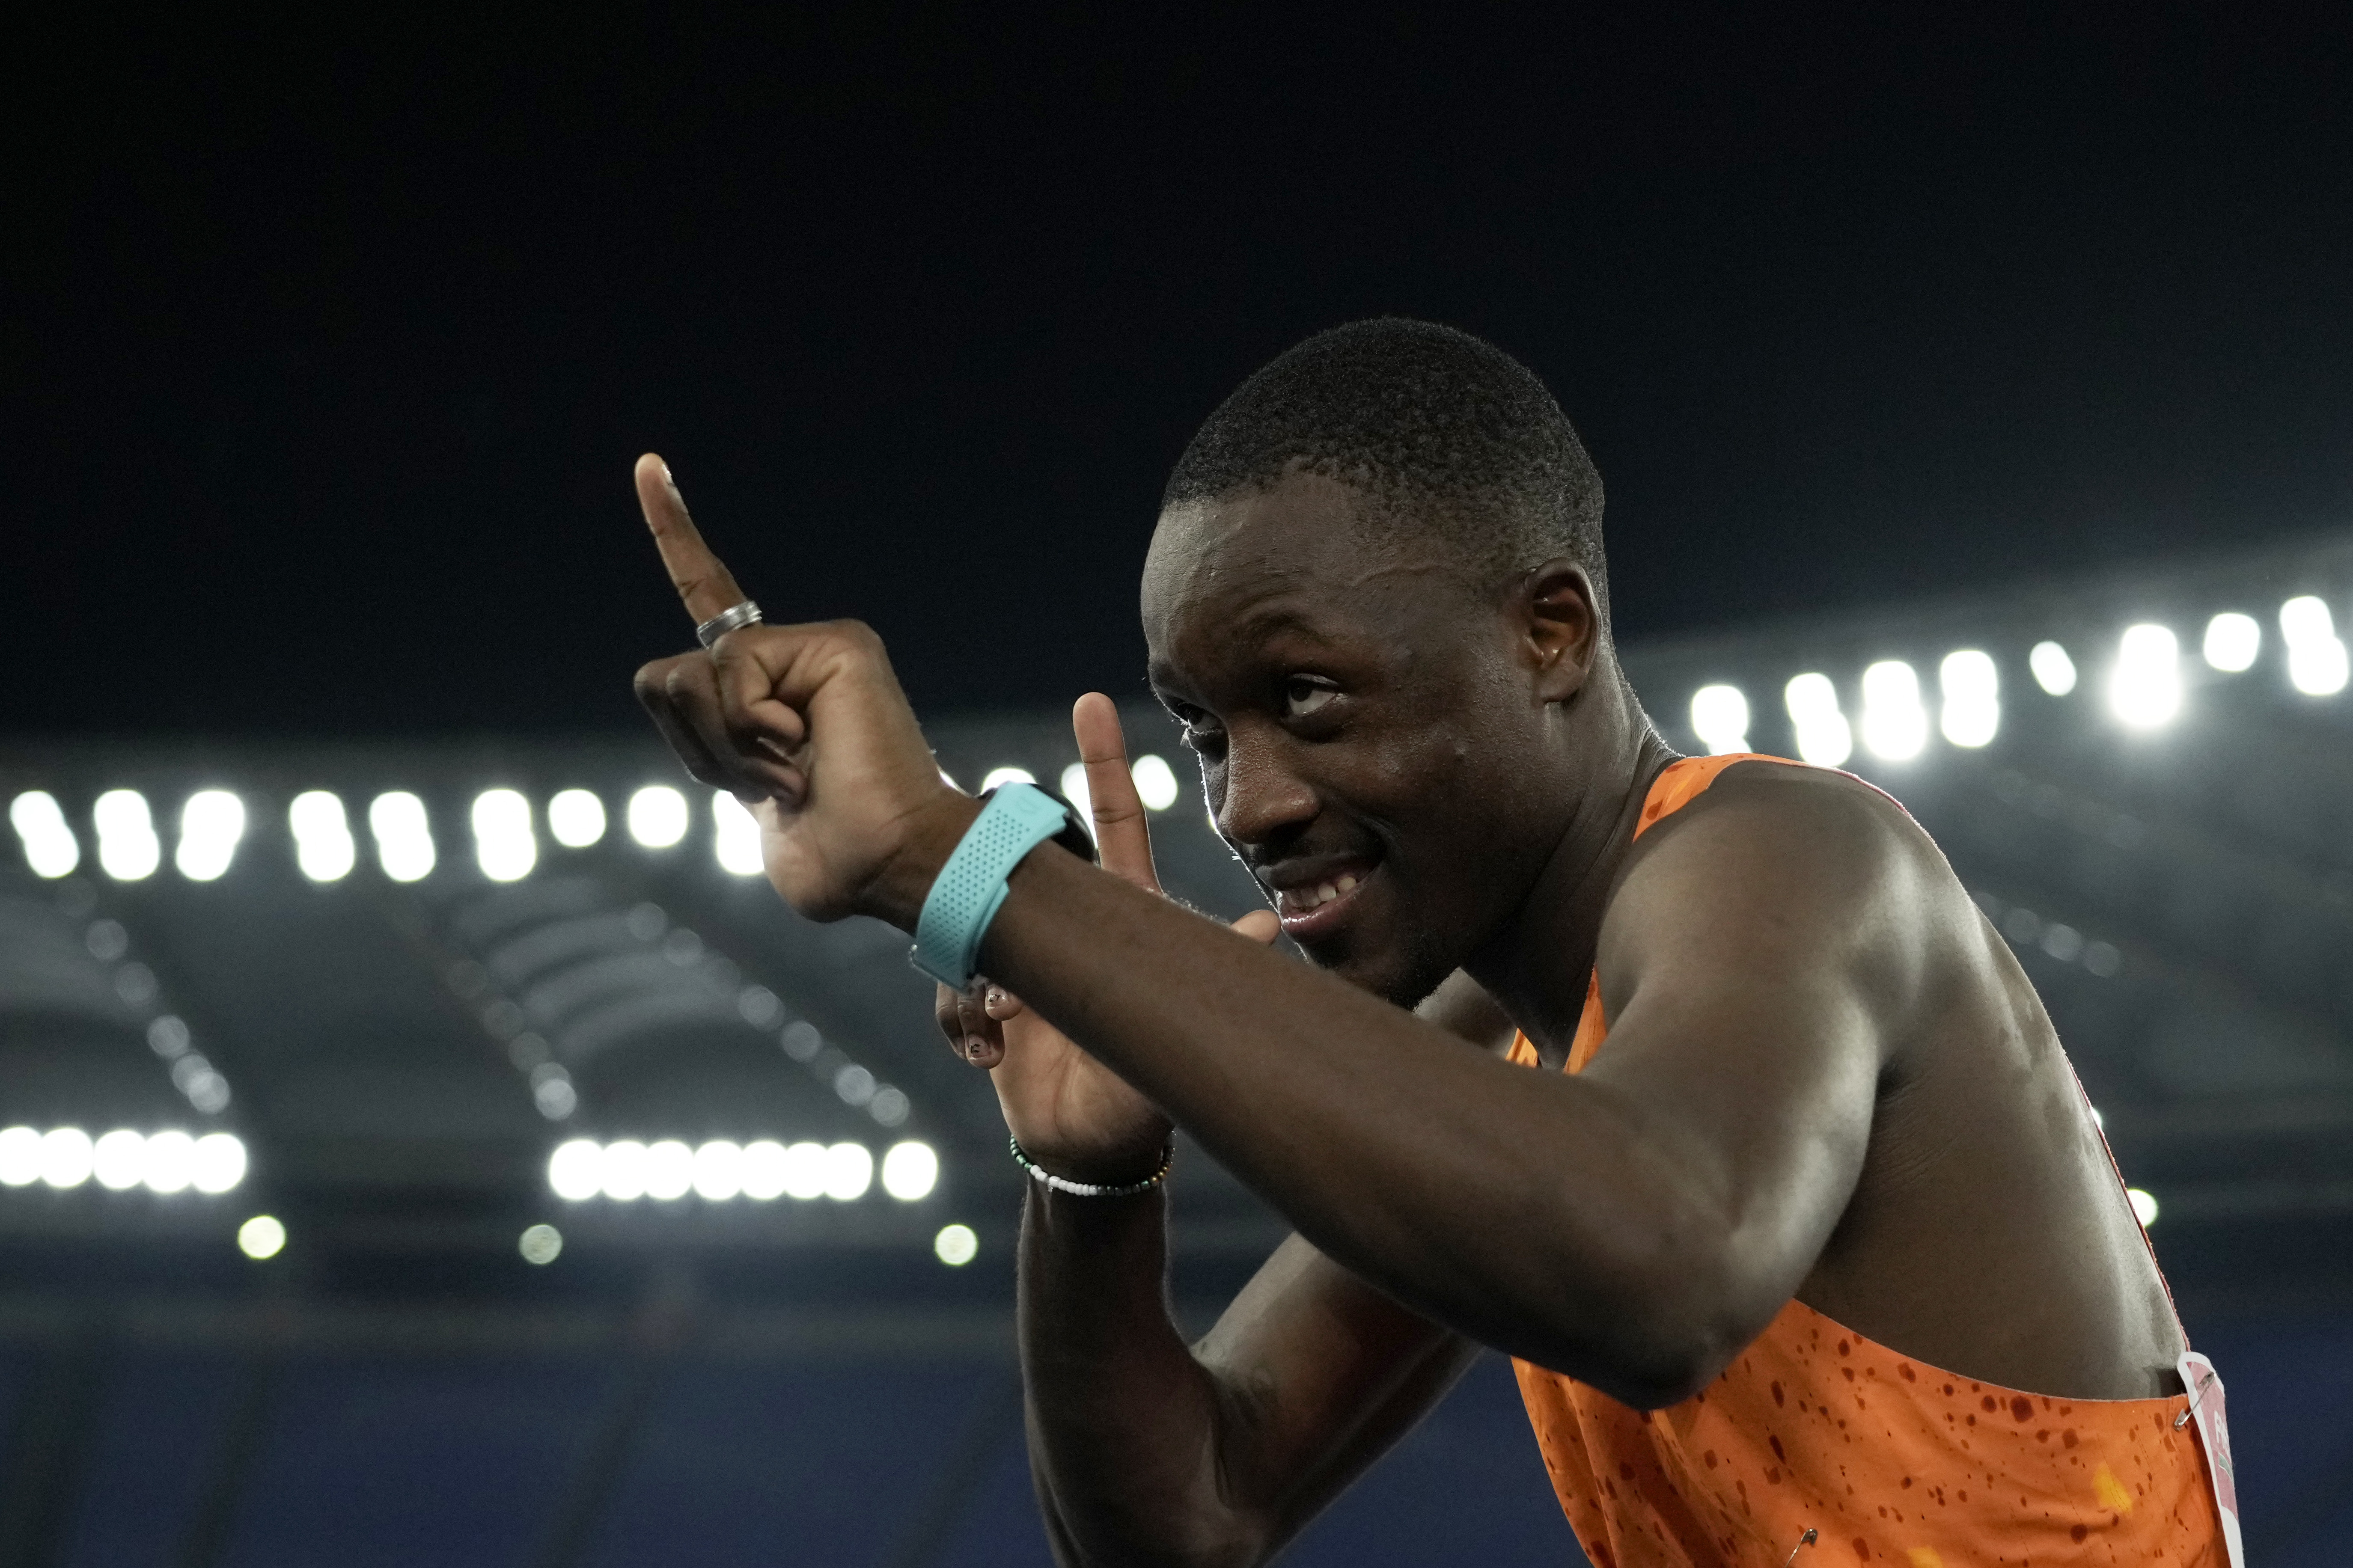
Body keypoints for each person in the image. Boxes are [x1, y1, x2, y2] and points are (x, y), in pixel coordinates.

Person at [629, 319, 2234, 1567]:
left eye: (1307, 697)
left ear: (1550, 635)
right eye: (1205, 730)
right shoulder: (1513, 1033)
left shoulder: (1794, 856)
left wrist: (967, 868)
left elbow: (1659, 1267)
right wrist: (1091, 1186)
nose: (1247, 804)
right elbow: (1185, 1516)